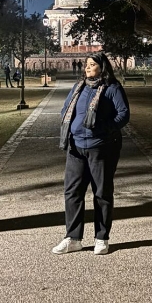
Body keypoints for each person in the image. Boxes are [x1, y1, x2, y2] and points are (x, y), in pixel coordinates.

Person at [52, 51, 130, 257]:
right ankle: (73, 238)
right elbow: (65, 108)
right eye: (86, 64)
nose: (87, 67)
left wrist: (104, 129)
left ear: (102, 68)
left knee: (102, 193)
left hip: (101, 147)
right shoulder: (79, 87)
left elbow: (123, 114)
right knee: (72, 192)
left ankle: (101, 238)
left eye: (92, 64)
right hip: (76, 147)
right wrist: (70, 127)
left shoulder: (112, 88)